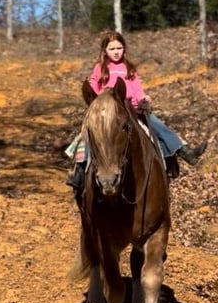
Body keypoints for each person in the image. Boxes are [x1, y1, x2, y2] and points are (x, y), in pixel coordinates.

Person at [66, 30, 207, 190]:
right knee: (87, 136)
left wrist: (143, 97)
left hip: (132, 109)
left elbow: (137, 88)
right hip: (107, 113)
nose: (116, 52)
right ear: (105, 51)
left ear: (124, 49)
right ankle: (79, 171)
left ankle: (185, 152)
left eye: (119, 48)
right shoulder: (100, 68)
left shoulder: (129, 67)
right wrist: (99, 102)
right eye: (112, 49)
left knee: (158, 126)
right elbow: (94, 86)